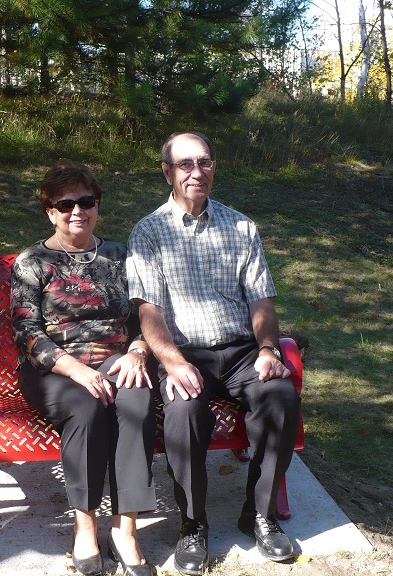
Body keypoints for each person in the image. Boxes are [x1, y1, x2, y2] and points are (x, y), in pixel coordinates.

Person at [126, 132, 301, 574]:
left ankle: (259, 515)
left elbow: (261, 302)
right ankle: (193, 524)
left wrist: (267, 349)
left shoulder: (241, 227)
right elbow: (148, 310)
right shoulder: (148, 232)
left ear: (214, 167)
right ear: (167, 172)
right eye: (184, 164)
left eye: (204, 162)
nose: (196, 172)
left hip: (241, 352)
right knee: (183, 410)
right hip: (184, 353)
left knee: (280, 396)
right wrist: (172, 362)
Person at [11, 160, 157, 576]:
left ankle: (125, 531)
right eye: (65, 204)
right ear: (50, 212)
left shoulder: (119, 256)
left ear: (97, 205)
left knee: (137, 401)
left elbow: (143, 315)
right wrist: (77, 371)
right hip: (54, 368)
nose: (77, 210)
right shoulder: (32, 262)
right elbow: (26, 332)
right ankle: (86, 527)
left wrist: (138, 351)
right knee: (87, 407)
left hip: (116, 357)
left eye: (86, 201)